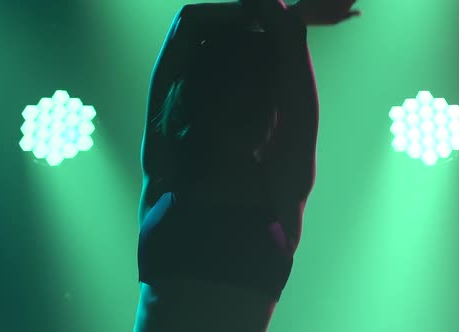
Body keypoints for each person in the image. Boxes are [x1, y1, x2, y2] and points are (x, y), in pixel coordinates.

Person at [133, 0, 361, 331]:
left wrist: (288, 17)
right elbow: (192, 18)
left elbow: (187, 19)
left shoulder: (165, 177)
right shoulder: (280, 195)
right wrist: (289, 18)